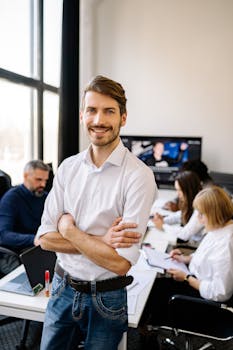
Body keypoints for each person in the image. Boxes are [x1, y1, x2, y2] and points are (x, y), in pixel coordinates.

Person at [37, 75, 157, 350]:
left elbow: (120, 263)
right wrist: (101, 241)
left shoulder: (139, 176)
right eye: (92, 110)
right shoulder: (68, 168)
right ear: (82, 115)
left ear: (123, 118)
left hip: (107, 296)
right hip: (61, 287)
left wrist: (69, 230)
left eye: (109, 111)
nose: (98, 120)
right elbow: (44, 239)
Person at [143, 185, 233, 329]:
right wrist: (186, 258)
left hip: (205, 301)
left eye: (201, 214)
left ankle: (148, 333)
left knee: (150, 296)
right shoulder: (219, 228)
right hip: (195, 281)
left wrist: (186, 278)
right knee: (154, 286)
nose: (198, 218)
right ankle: (147, 330)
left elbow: (219, 293)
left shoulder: (226, 244)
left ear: (213, 213)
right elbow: (206, 256)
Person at [0, 160, 50, 275]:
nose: (43, 184)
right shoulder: (11, 199)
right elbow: (3, 235)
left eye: (45, 180)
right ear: (26, 176)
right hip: (13, 253)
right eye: (38, 180)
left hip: (37, 248)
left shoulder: (45, 197)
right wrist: (34, 239)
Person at [152, 171, 204, 244]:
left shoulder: (201, 206)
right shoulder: (194, 200)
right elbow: (180, 215)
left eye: (180, 190)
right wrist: (163, 220)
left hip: (195, 247)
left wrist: (163, 226)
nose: (178, 194)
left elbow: (185, 234)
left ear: (189, 190)